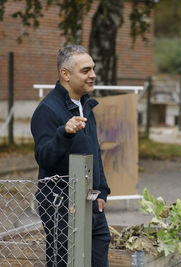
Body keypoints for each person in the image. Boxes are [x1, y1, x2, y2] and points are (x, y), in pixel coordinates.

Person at [31, 45, 111, 267]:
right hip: (61, 206)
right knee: (64, 262)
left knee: (100, 245)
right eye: (86, 70)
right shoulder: (47, 110)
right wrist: (64, 133)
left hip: (90, 202)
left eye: (93, 69)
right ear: (65, 75)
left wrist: (103, 190)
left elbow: (94, 151)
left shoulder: (86, 105)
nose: (93, 75)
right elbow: (44, 157)